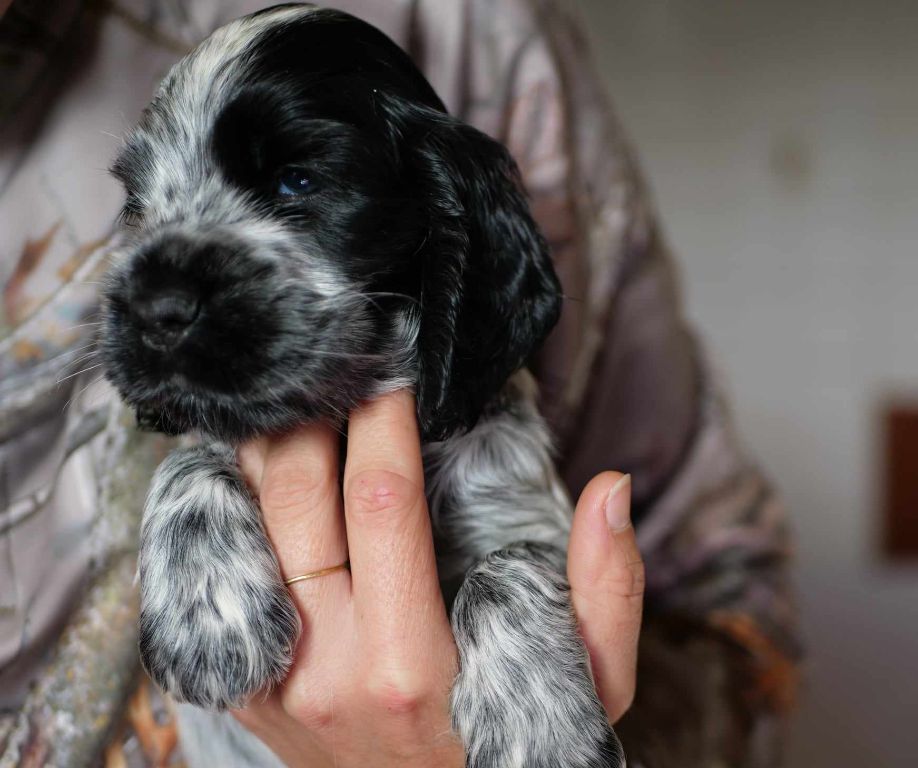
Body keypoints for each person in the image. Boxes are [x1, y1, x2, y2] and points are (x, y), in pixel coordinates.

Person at [0, 1, 799, 766]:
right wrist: (194, 484)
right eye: (146, 203)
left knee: (513, 589)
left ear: (441, 214)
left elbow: (722, 606)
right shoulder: (202, 488)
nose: (163, 291)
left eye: (296, 184)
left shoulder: (470, 27)